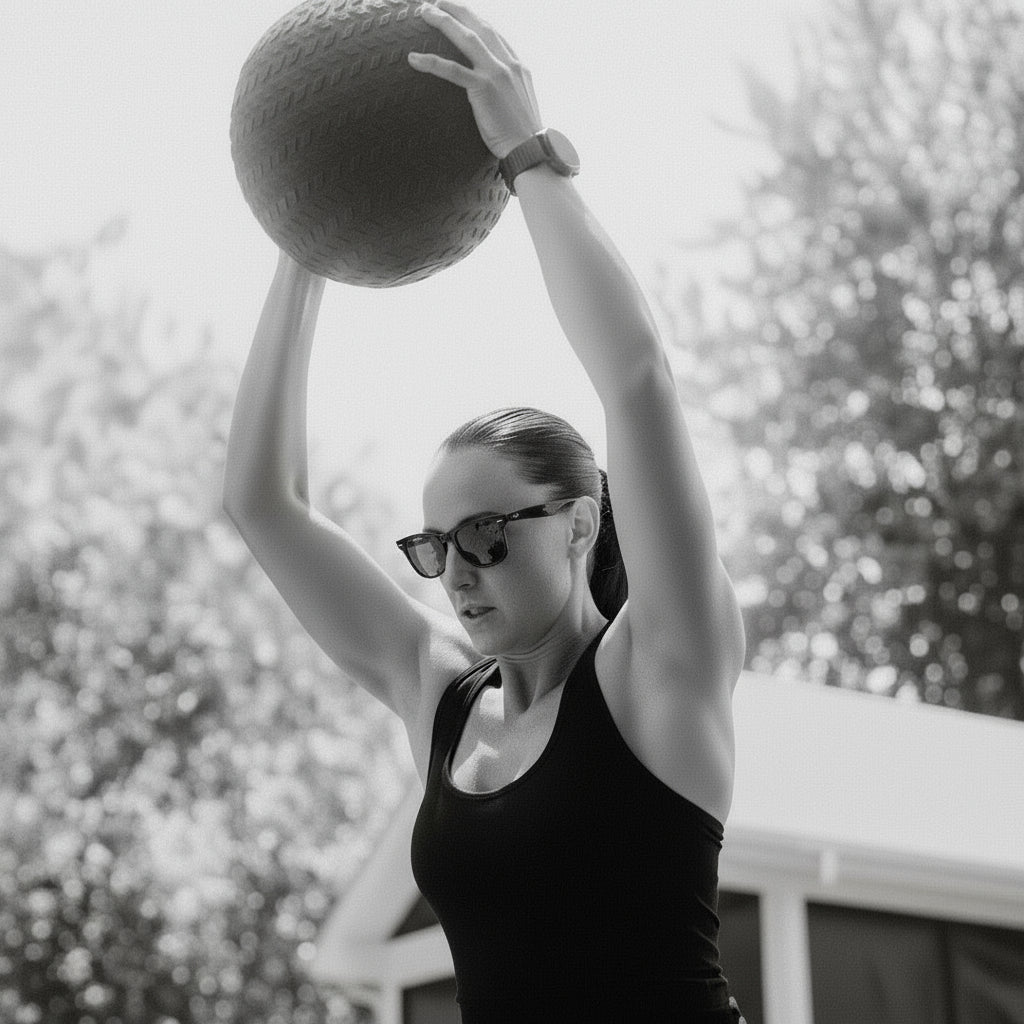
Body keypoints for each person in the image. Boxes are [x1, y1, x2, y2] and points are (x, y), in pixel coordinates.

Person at [223, 2, 748, 1020]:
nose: (458, 574)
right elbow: (262, 504)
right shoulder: (445, 702)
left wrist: (528, 158)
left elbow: (636, 378)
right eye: (433, 547)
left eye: (488, 535)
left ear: (585, 522)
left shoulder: (663, 666)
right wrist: (310, 231)